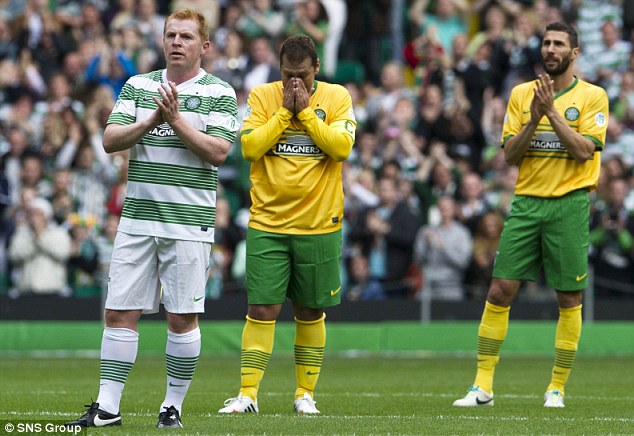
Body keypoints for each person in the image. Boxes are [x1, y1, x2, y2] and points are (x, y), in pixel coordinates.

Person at [65, 9, 239, 429]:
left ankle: (171, 407)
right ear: (162, 41)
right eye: (171, 35)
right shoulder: (139, 86)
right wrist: (151, 121)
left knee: (181, 318)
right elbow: (110, 140)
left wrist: (175, 121)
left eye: (186, 36)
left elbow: (218, 152)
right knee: (119, 312)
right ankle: (107, 409)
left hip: (188, 223)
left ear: (205, 46)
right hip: (137, 220)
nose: (177, 42)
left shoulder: (220, 92)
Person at [453, 22, 609, 409]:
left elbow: (584, 151)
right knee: (499, 290)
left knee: (568, 297)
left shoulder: (593, 96)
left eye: (559, 44)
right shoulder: (522, 94)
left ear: (574, 53)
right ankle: (482, 386)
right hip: (525, 202)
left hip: (569, 203)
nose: (550, 49)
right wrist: (535, 118)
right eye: (546, 43)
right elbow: (510, 155)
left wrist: (552, 113)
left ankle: (556, 388)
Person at [218, 34, 356, 415]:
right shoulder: (263, 96)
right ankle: (248, 395)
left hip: (319, 224)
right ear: (279, 69)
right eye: (287, 75)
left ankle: (304, 395)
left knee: (309, 311)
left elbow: (341, 148)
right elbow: (249, 147)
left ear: (317, 68)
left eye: (303, 75)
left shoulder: (337, 97)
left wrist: (306, 114)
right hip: (269, 223)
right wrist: (284, 114)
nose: (295, 83)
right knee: (262, 309)